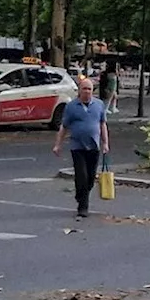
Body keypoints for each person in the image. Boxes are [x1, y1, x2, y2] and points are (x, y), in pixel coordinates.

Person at [52, 79, 110, 218]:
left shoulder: (98, 105)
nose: (87, 92)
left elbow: (102, 124)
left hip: (93, 146)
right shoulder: (72, 106)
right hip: (77, 147)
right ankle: (83, 207)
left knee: (90, 178)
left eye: (89, 89)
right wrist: (58, 144)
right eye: (84, 89)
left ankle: (81, 194)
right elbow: (64, 126)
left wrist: (105, 143)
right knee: (81, 176)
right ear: (79, 90)